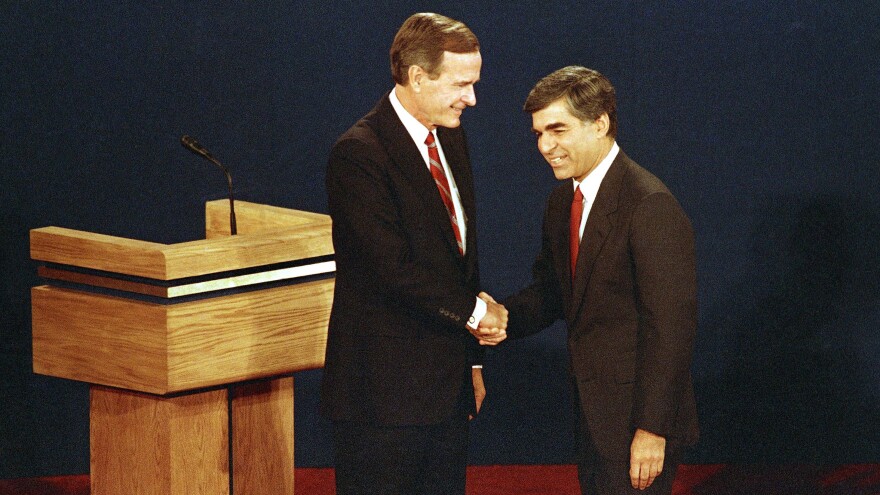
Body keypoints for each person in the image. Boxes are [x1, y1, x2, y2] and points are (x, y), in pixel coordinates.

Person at [320, 12, 507, 495]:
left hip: (445, 392)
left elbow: (462, 256)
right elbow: (389, 269)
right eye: (462, 84)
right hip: (382, 402)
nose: (472, 98)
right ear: (418, 77)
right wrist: (476, 313)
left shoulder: (450, 134)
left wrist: (472, 362)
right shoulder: (359, 154)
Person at [501, 66, 699, 494]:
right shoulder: (562, 201)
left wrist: (652, 430)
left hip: (637, 425)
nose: (545, 146)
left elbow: (671, 330)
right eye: (538, 133)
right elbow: (553, 292)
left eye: (557, 130)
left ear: (600, 124)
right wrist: (501, 319)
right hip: (594, 417)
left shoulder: (650, 205)